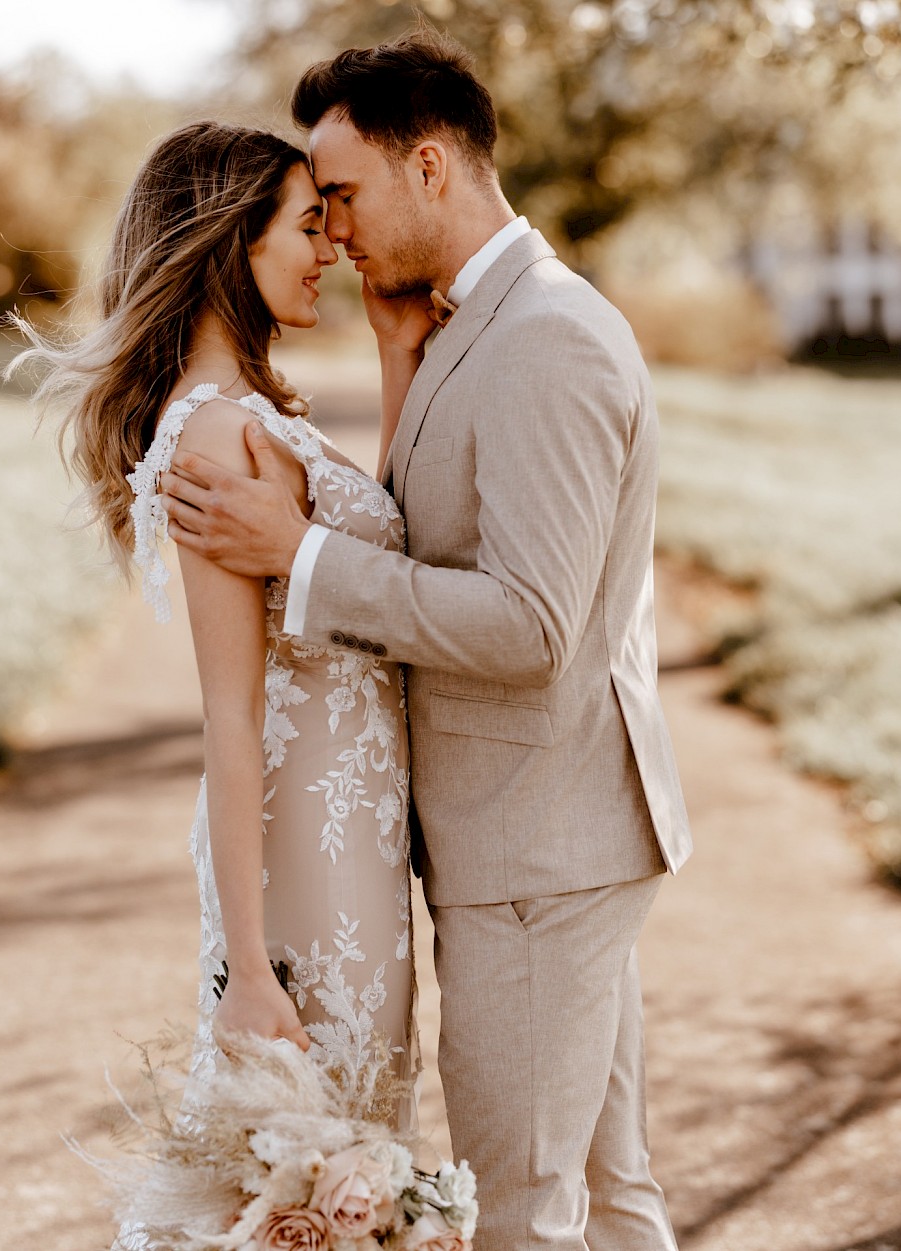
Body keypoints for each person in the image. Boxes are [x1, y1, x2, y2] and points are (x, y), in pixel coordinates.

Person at [159, 30, 693, 1251]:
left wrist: (299, 558)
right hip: (546, 838)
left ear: (432, 165)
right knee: (608, 1202)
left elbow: (531, 624)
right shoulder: (474, 326)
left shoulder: (544, 338)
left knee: (522, 1215)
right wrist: (400, 357)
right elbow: (429, 529)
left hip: (537, 852)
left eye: (342, 193)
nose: (335, 230)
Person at [10, 121, 421, 1114]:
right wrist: (246, 965)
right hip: (303, 854)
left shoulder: (252, 415)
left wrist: (395, 352)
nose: (330, 248)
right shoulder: (215, 437)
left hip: (352, 833)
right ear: (233, 241)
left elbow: (360, 551)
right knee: (311, 1147)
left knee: (344, 1142)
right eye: (307, 226)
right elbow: (230, 714)